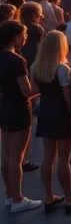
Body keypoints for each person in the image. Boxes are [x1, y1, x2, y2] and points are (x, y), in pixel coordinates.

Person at [30, 30, 71, 212]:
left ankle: (48, 197)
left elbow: (35, 90)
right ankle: (70, 199)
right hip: (61, 114)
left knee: (48, 157)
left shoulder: (36, 66)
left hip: (45, 112)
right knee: (64, 159)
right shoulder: (62, 68)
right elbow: (68, 98)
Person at [0, 21, 41, 213]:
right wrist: (42, 85)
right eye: (23, 35)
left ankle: (9, 195)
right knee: (17, 157)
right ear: (16, 37)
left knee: (6, 155)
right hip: (18, 109)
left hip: (4, 106)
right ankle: (18, 198)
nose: (25, 38)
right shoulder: (17, 61)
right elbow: (27, 91)